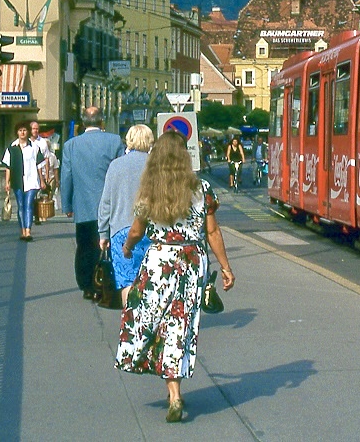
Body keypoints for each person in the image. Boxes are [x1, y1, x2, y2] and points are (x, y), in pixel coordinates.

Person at [114, 131, 235, 423]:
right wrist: (226, 267)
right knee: (180, 325)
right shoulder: (202, 188)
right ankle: (175, 393)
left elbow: (136, 230)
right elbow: (212, 231)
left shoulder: (150, 190)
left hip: (159, 260)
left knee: (147, 319)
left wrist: (127, 247)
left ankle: (172, 393)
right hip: (192, 262)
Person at [61, 107, 125, 300]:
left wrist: (67, 205)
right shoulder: (114, 141)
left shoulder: (71, 145)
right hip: (111, 206)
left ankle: (87, 285)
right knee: (109, 246)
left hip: (83, 205)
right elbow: (120, 173)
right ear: (101, 121)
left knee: (85, 247)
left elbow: (66, 177)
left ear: (83, 122)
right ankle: (108, 282)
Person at [98, 124, 155, 306]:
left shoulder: (116, 165)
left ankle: (130, 317)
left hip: (121, 230)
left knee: (127, 280)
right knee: (152, 280)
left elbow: (106, 202)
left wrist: (103, 233)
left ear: (129, 141)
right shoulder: (156, 165)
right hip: (152, 231)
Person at [2, 121, 46, 241]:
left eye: (24, 130)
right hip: (17, 181)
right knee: (21, 205)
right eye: (20, 130)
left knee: (28, 205)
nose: (22, 133)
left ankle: (28, 231)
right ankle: (22, 230)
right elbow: (8, 167)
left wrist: (42, 180)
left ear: (28, 132)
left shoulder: (34, 147)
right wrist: (7, 182)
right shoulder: (12, 148)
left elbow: (39, 165)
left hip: (32, 180)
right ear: (17, 132)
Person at [29, 121, 52, 225]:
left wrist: (47, 174)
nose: (36, 131)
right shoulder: (26, 142)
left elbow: (46, 158)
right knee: (31, 195)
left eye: (37, 129)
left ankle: (37, 215)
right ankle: (30, 215)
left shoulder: (42, 142)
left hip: (40, 172)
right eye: (34, 129)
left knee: (38, 195)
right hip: (29, 173)